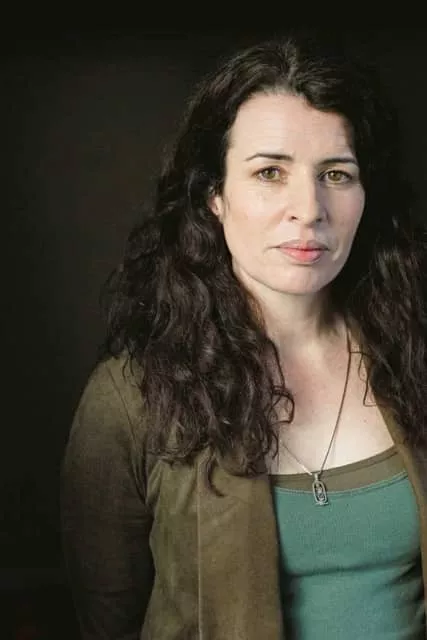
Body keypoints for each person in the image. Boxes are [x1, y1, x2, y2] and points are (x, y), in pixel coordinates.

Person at [60, 29, 427, 639]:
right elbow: (109, 617)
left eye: (336, 174)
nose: (309, 208)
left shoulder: (414, 353)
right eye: (270, 172)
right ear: (214, 195)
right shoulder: (131, 397)